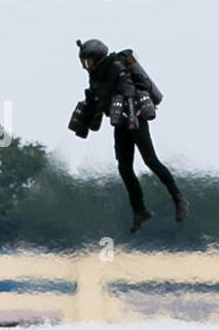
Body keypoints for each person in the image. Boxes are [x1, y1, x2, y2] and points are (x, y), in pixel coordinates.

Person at [71, 39, 189, 232]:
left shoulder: (116, 67)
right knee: (124, 168)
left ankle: (179, 199)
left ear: (98, 58)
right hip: (120, 123)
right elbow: (96, 99)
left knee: (151, 161)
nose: (86, 66)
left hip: (135, 120)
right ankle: (139, 211)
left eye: (88, 62)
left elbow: (128, 91)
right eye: (84, 62)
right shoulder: (95, 78)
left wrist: (133, 118)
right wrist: (83, 120)